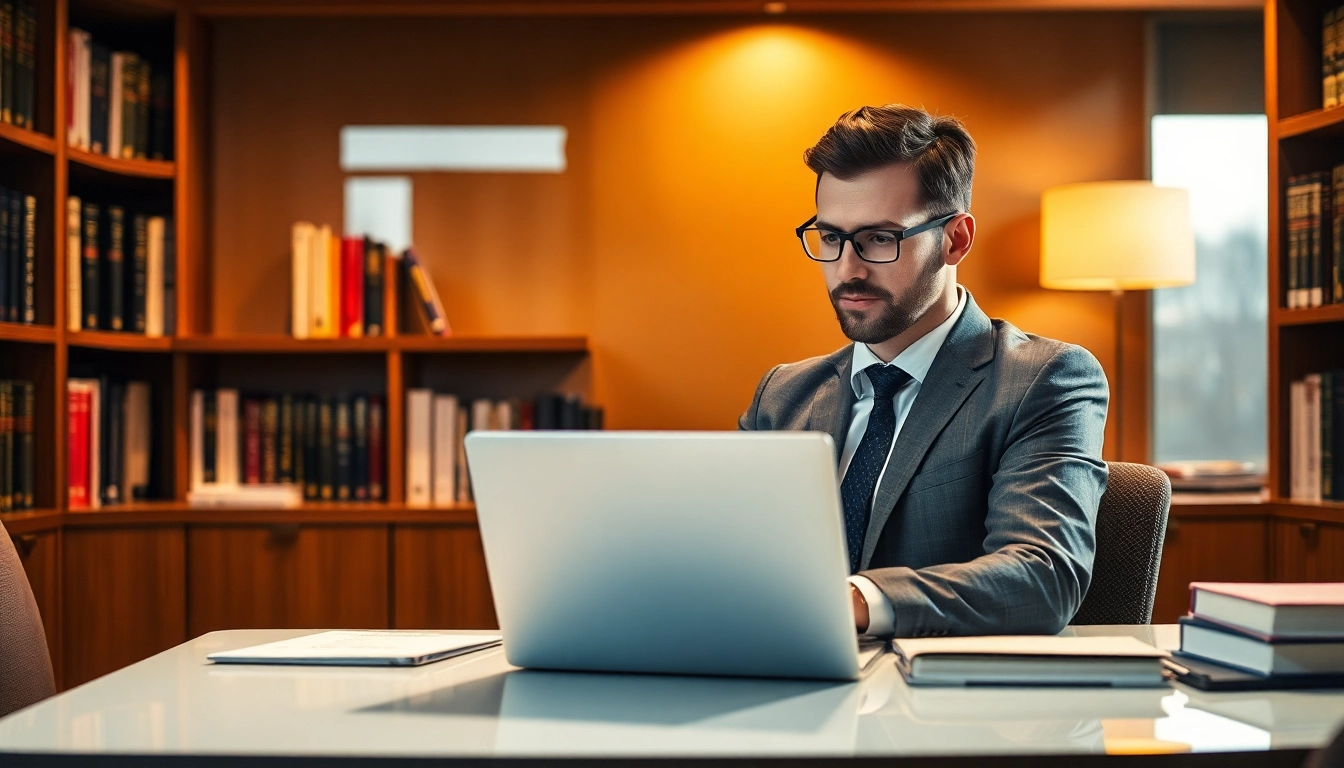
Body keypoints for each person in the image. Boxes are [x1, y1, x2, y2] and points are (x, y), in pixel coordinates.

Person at [738, 104, 1108, 638]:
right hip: (781, 689)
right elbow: (732, 558)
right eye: (830, 237)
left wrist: (855, 601)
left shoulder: (1044, 380)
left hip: (947, 711)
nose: (848, 268)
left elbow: (1042, 576)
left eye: (880, 239)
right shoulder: (783, 395)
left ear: (955, 239)